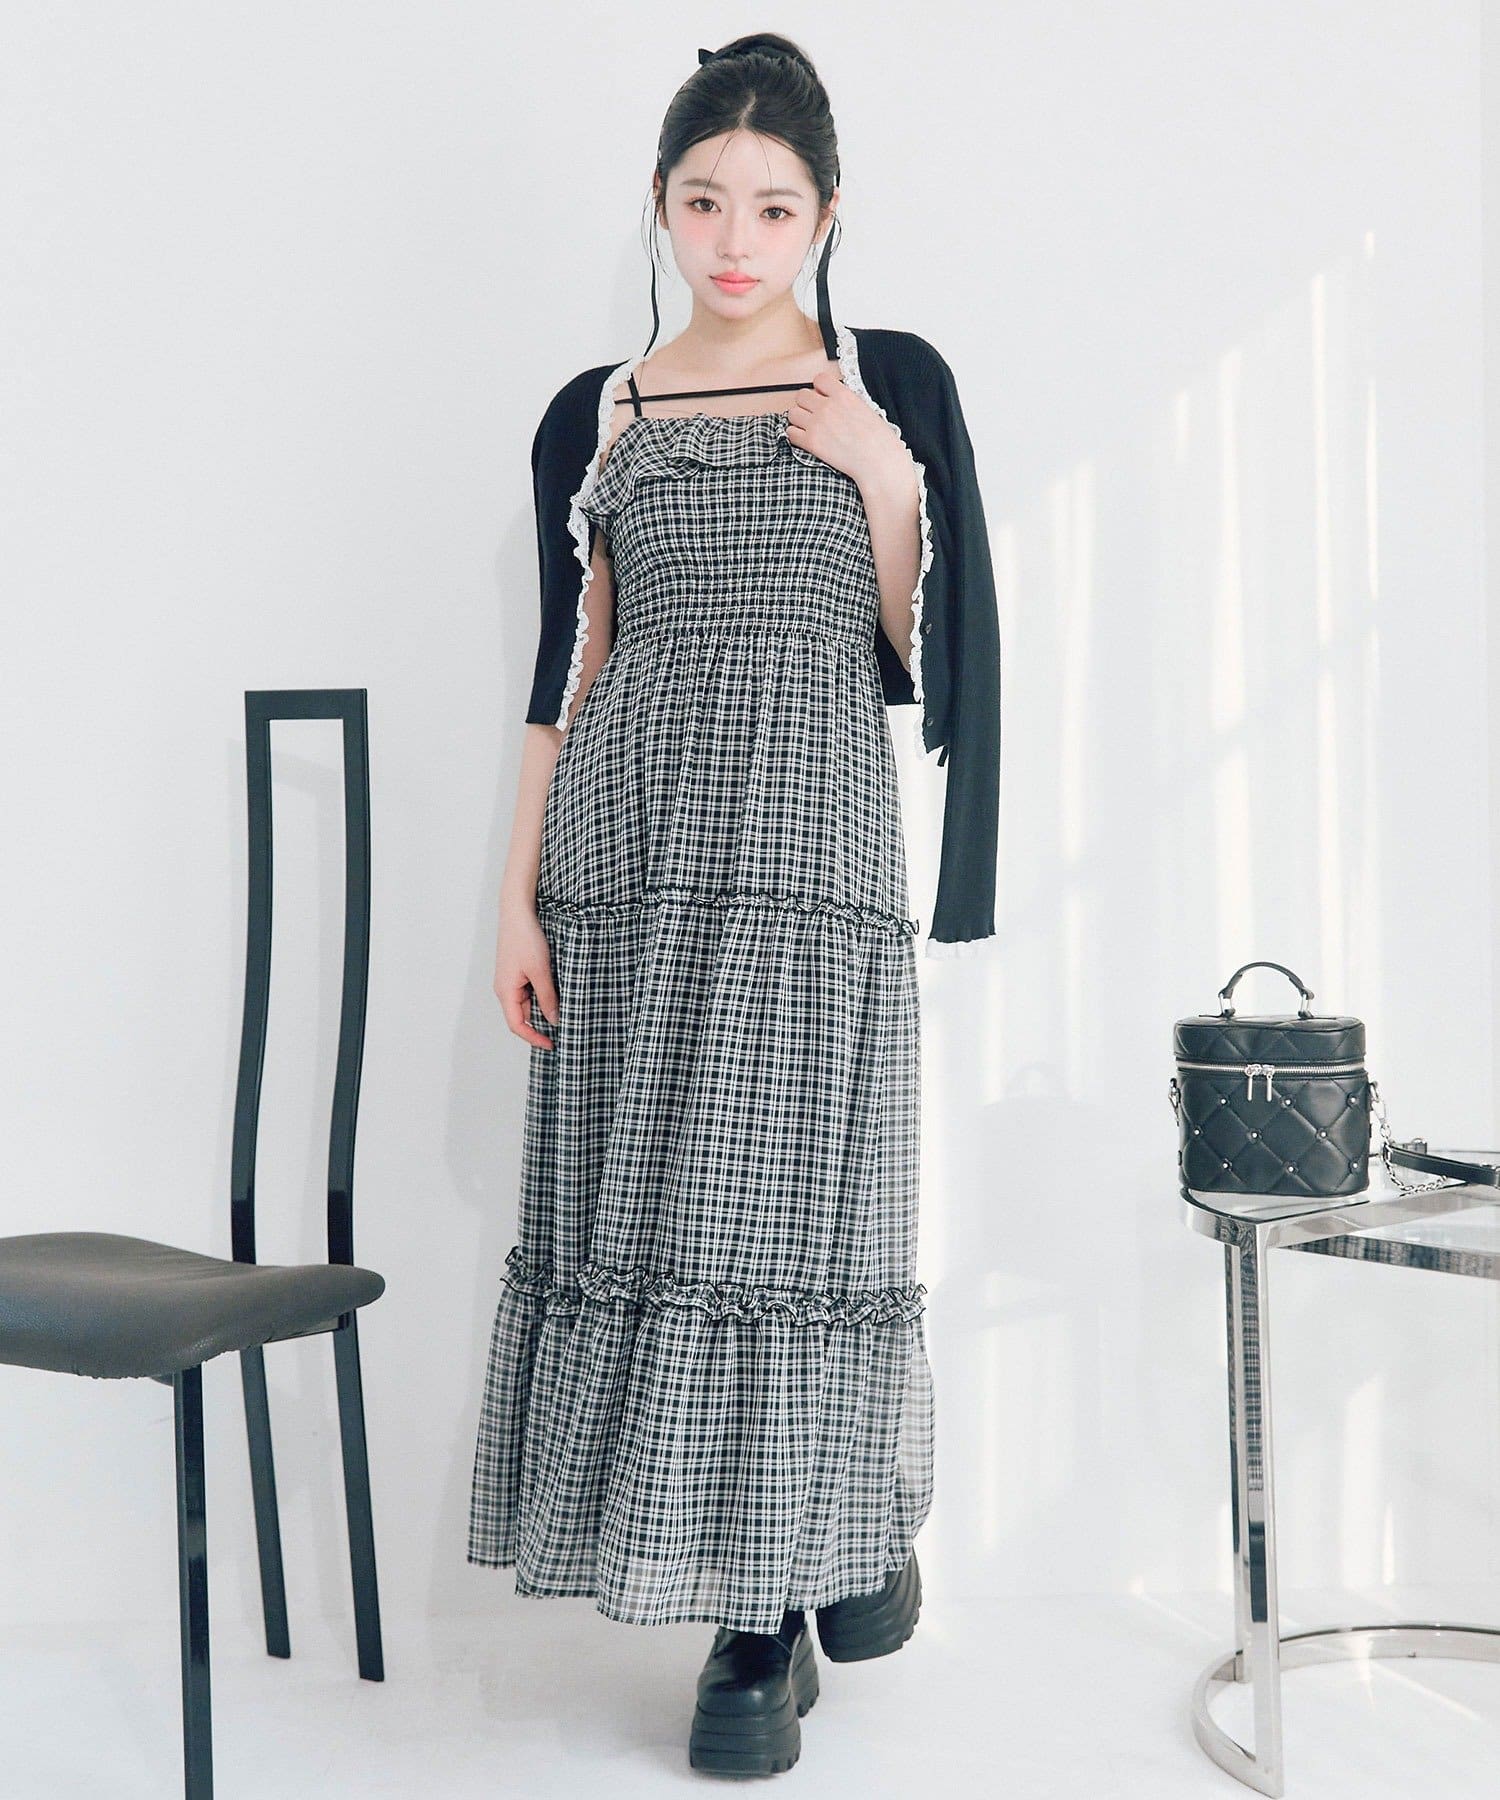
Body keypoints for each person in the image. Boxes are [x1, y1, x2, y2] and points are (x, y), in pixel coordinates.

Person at [469, 31, 1001, 1779]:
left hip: (812, 864)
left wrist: (884, 476)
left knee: (789, 1223)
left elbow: (924, 657)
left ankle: (783, 1590)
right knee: (661, 1212)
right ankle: (784, 1579)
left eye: (774, 207)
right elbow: (566, 670)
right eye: (705, 201)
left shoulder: (890, 383)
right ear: (660, 205)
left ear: (827, 215)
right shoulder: (596, 412)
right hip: (627, 859)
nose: (736, 239)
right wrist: (517, 902)